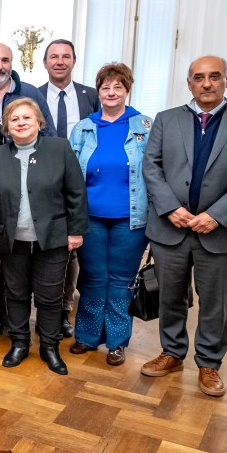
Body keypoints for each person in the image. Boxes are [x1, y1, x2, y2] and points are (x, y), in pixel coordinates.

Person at [140, 55, 227, 397]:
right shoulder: (166, 121)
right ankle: (172, 352)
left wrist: (216, 215)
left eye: (214, 77)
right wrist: (170, 208)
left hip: (220, 232)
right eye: (199, 77)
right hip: (171, 229)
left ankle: (209, 364)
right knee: (170, 297)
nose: (206, 83)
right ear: (189, 83)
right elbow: (150, 167)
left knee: (214, 302)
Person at [0, 98, 88, 375]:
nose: (21, 123)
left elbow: (76, 192)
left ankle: (49, 347)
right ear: (7, 127)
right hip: (11, 239)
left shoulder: (59, 148)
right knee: (15, 293)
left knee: (50, 296)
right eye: (14, 119)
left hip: (53, 238)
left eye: (27, 118)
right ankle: (19, 343)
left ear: (39, 122)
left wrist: (75, 231)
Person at [0, 42, 55, 347]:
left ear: (12, 62)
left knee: (18, 261)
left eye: (5, 60)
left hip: (24, 186)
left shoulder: (31, 92)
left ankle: (16, 323)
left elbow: (49, 136)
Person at [68, 63, 151, 366]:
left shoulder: (144, 126)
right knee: (92, 278)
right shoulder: (83, 127)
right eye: (106, 87)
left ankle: (116, 342)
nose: (112, 92)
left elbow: (156, 173)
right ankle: (87, 337)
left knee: (120, 280)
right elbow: (71, 177)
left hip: (131, 220)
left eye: (118, 86)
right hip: (89, 218)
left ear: (128, 89)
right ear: (98, 91)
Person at [38, 38, 100, 338]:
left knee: (72, 250)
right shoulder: (32, 95)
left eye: (66, 56)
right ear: (45, 62)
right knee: (43, 248)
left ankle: (64, 310)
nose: (59, 61)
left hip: (81, 183)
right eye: (53, 56)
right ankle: (40, 310)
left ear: (74, 60)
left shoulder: (92, 96)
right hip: (42, 184)